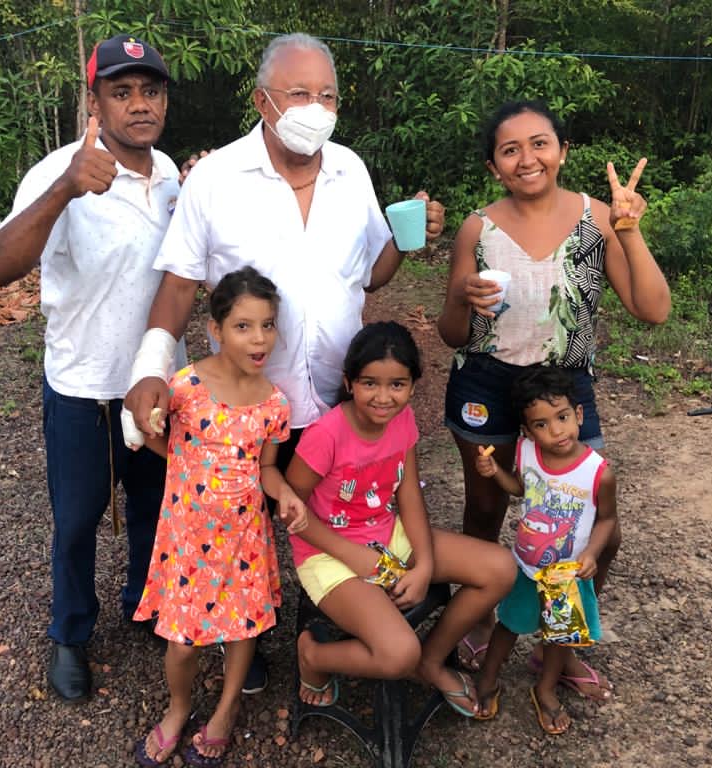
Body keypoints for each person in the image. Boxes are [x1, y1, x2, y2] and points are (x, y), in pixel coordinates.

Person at [122, 32, 445, 694]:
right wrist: (151, 368)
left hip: (336, 401)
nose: (316, 107)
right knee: (241, 520)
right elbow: (181, 284)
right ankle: (248, 631)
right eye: (300, 93)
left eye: (327, 94)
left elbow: (373, 270)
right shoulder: (215, 179)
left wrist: (412, 242)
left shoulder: (350, 170)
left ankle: (323, 621)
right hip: (249, 405)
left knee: (324, 513)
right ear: (262, 99)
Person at [0, 34, 184, 703]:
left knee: (156, 507)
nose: (139, 105)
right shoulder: (57, 173)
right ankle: (70, 633)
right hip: (82, 387)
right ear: (94, 101)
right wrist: (66, 189)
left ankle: (143, 601)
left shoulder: (175, 176)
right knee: (77, 520)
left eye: (149, 91)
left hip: (156, 384)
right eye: (121, 92)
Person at [437, 100, 669, 680]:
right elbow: (450, 335)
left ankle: (557, 638)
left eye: (539, 143)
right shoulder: (477, 228)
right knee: (486, 506)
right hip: (486, 380)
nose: (526, 158)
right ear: (494, 167)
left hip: (564, 388)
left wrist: (630, 231)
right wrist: (463, 296)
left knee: (588, 523)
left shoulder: (597, 220)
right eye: (509, 150)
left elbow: (653, 310)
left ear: (563, 151)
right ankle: (482, 616)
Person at [284, 322, 516, 716]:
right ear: (349, 381)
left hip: (389, 536)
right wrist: (351, 555)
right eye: (370, 383)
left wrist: (424, 564)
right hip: (327, 554)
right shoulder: (326, 435)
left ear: (412, 386)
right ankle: (314, 656)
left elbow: (408, 493)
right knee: (396, 656)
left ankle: (432, 659)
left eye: (397, 385)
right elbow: (291, 511)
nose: (383, 397)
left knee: (501, 569)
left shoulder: (402, 419)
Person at [131, 267, 307, 767]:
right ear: (215, 329)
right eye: (244, 326)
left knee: (240, 631)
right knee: (182, 646)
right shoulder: (183, 386)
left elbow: (267, 469)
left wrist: (287, 494)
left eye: (268, 325)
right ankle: (179, 708)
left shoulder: (275, 403)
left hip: (245, 540)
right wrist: (188, 466)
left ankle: (226, 711)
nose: (259, 338)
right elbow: (158, 438)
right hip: (187, 540)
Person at [471, 366, 616, 734]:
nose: (556, 431)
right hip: (525, 566)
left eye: (563, 417)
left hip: (567, 574)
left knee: (559, 636)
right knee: (510, 624)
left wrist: (592, 555)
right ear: (527, 430)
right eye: (541, 424)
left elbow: (607, 521)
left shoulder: (599, 471)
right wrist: (494, 474)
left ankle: (546, 688)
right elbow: (521, 488)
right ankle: (488, 678)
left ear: (579, 414)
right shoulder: (527, 452)